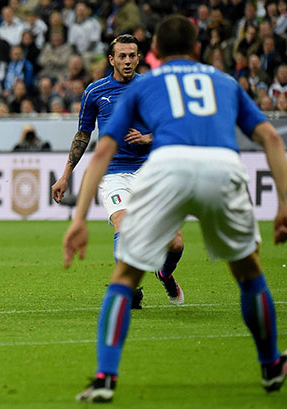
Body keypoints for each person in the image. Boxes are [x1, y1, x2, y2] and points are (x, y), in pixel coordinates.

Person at [63, 15, 287, 402]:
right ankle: (271, 364)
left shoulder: (148, 84)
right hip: (222, 168)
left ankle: (105, 376)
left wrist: (78, 217)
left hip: (167, 168)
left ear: (152, 51)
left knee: (124, 278)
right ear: (198, 49)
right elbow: (270, 137)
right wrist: (285, 204)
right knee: (248, 272)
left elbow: (102, 147)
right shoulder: (224, 81)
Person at [52, 34, 184, 310]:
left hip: (152, 172)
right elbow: (82, 135)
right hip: (114, 173)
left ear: (138, 57)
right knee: (124, 227)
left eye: (132, 55)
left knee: (175, 244)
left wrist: (149, 138)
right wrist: (65, 175)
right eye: (121, 56)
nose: (127, 61)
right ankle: (130, 289)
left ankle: (165, 273)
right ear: (111, 59)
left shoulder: (152, 87)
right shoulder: (95, 91)